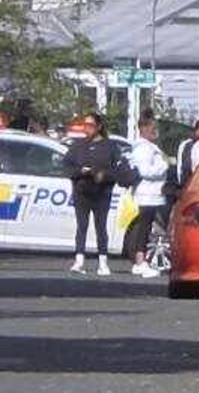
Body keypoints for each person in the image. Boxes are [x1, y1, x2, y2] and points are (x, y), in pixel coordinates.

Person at [63, 112, 121, 276]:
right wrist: (80, 171)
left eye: (90, 125)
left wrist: (105, 175)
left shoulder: (110, 147)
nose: (86, 129)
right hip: (82, 190)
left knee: (101, 226)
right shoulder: (78, 146)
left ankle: (103, 262)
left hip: (102, 192)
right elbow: (67, 166)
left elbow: (117, 169)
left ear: (99, 127)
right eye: (85, 125)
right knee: (82, 225)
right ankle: (79, 260)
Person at [128, 114, 169, 278]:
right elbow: (145, 171)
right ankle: (140, 261)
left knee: (146, 227)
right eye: (153, 128)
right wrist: (163, 165)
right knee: (143, 228)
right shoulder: (143, 148)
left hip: (153, 194)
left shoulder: (150, 147)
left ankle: (141, 260)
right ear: (143, 128)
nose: (155, 131)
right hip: (146, 194)